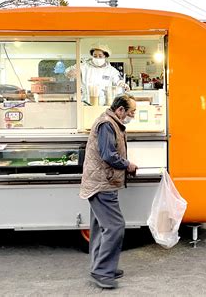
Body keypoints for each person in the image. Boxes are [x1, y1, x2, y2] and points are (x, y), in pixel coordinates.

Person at [79, 94, 138, 289]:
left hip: (100, 181)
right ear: (120, 110)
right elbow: (108, 155)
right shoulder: (107, 124)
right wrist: (127, 164)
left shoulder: (111, 122)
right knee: (115, 226)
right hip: (102, 184)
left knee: (100, 227)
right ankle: (102, 271)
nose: (132, 116)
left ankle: (100, 266)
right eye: (131, 112)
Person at [66, 44, 130, 104]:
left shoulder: (111, 70)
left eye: (100, 56)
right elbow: (68, 73)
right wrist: (72, 72)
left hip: (105, 103)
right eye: (95, 56)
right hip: (86, 102)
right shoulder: (84, 66)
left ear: (105, 56)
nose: (97, 58)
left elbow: (118, 81)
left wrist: (123, 84)